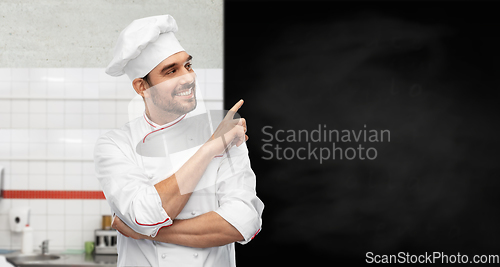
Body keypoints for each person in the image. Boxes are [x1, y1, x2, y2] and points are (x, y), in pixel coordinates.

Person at [94, 14, 264, 267]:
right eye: (170, 71)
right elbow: (144, 215)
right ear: (142, 87)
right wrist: (210, 149)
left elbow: (244, 222)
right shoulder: (116, 145)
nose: (187, 78)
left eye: (188, 65)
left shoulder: (224, 133)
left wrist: (146, 233)